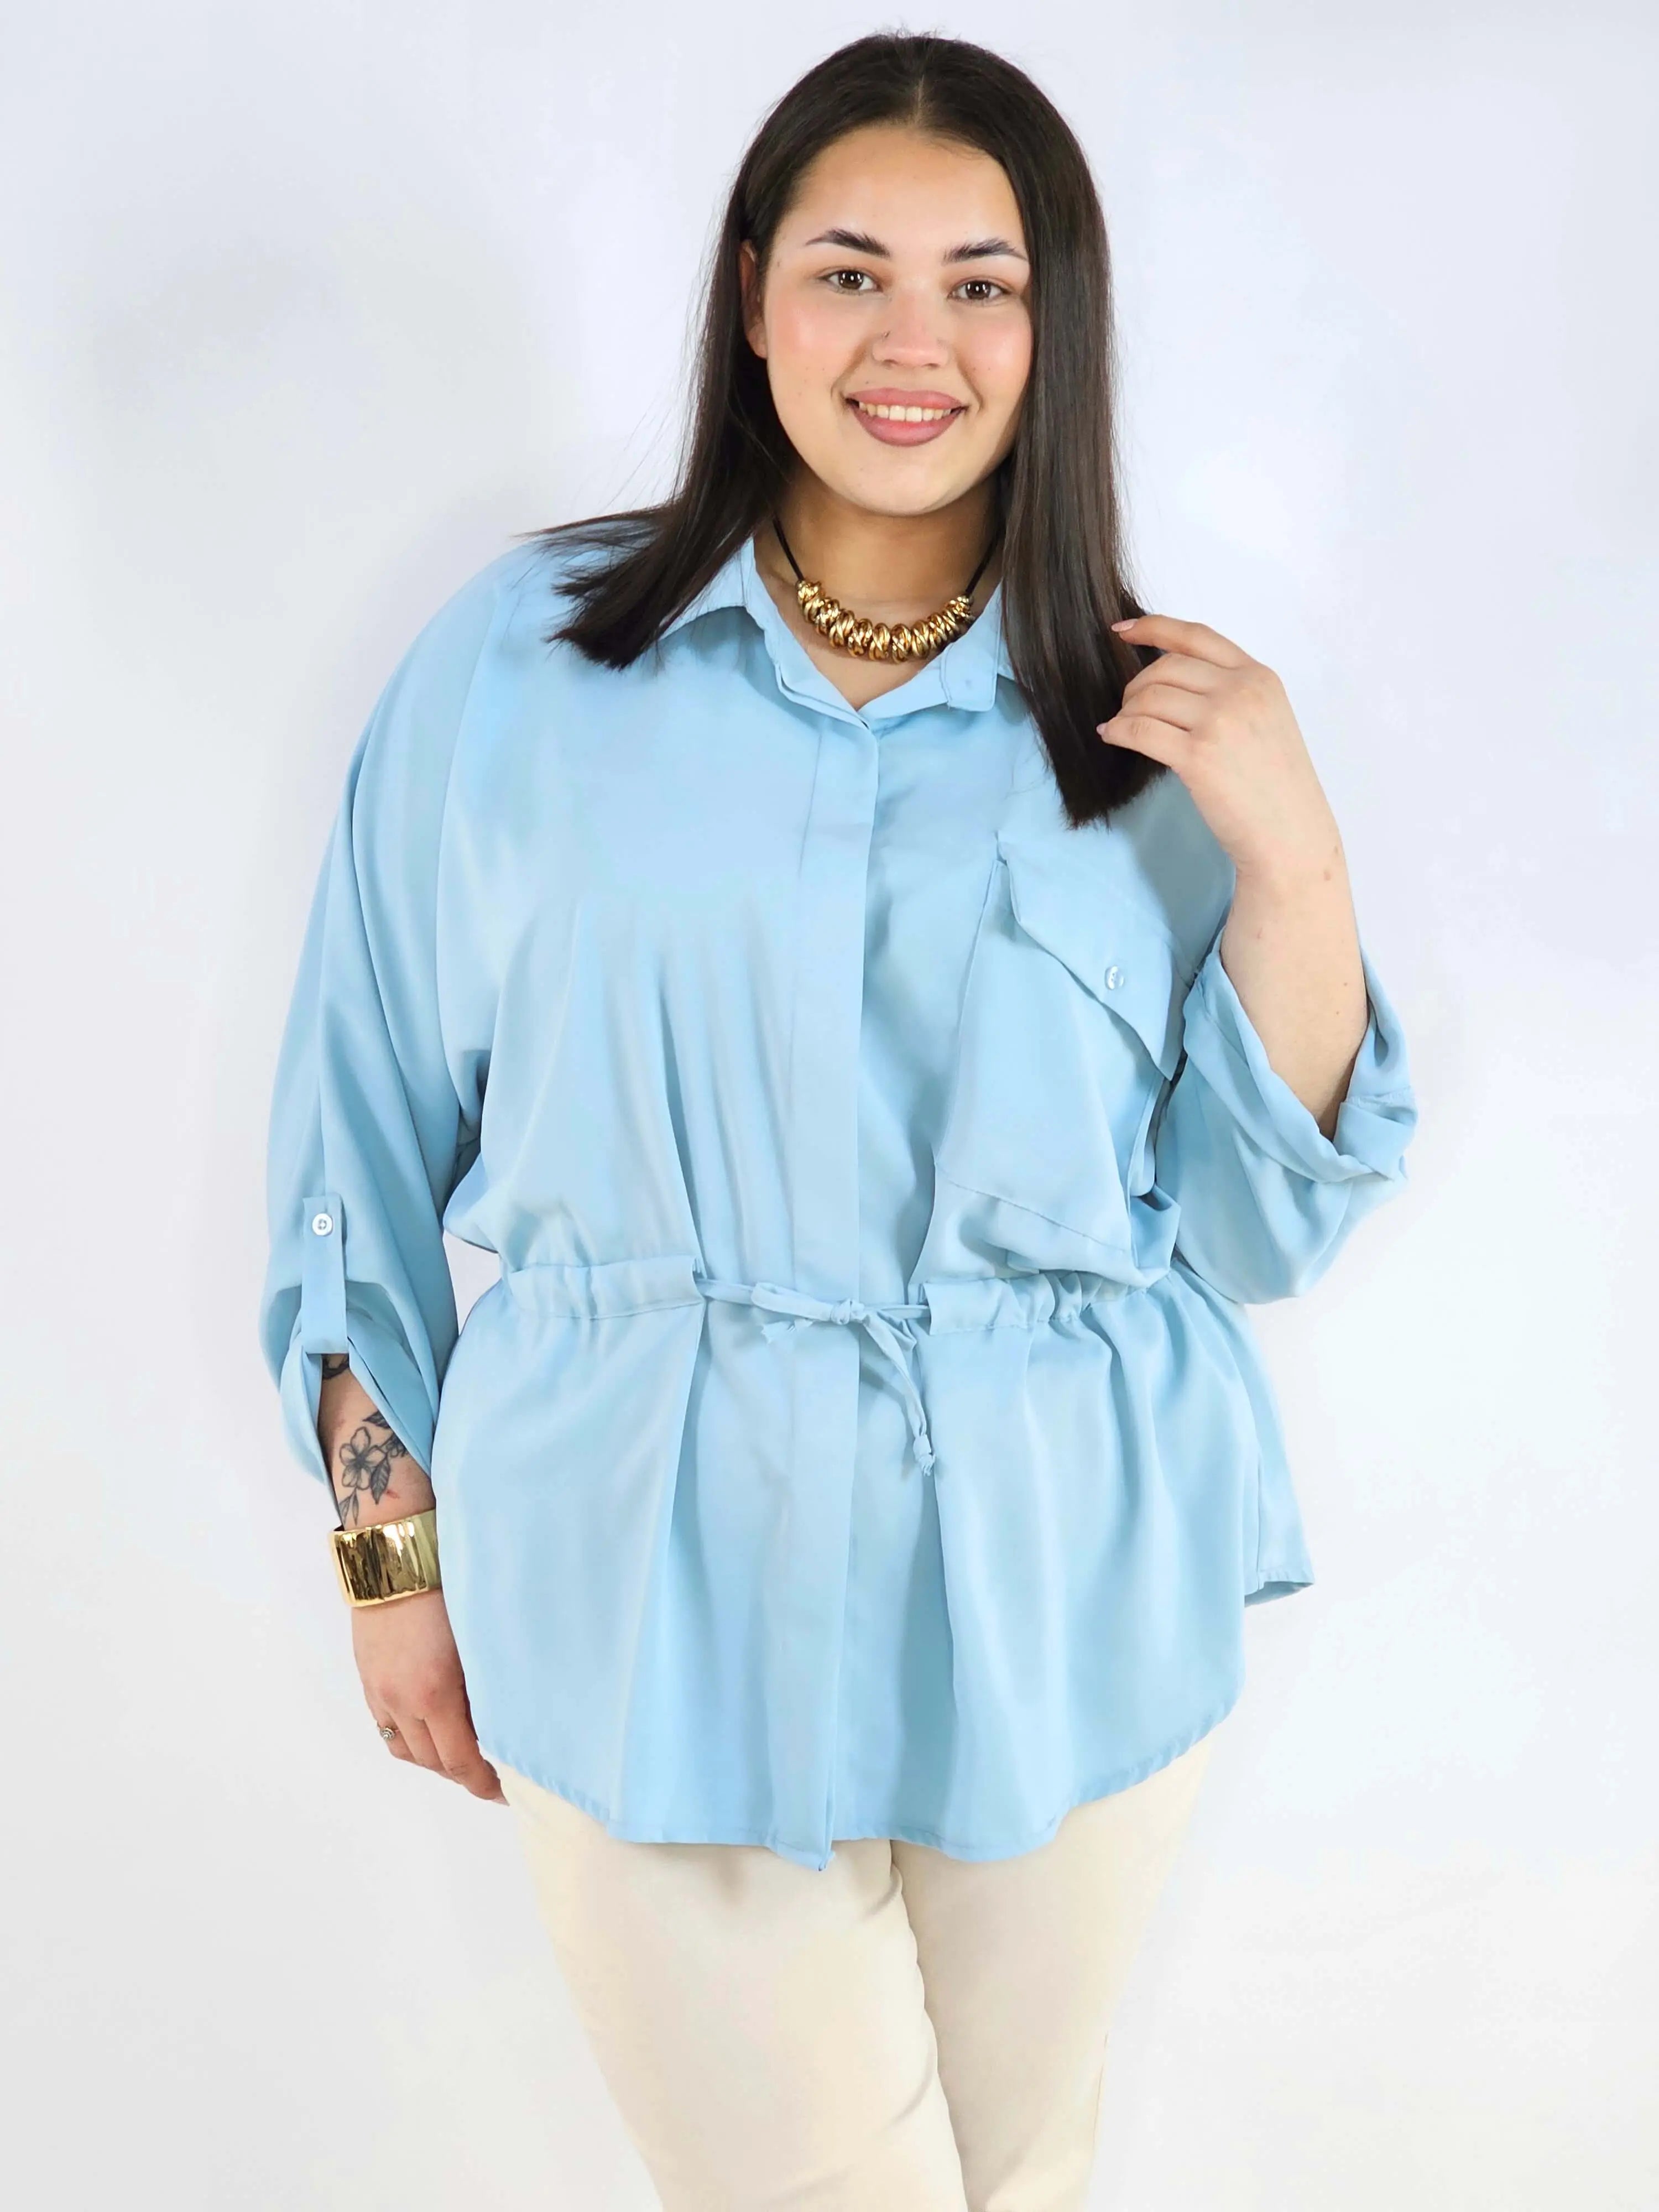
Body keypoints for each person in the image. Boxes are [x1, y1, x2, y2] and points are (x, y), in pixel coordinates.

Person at [258, 32, 1419, 2212]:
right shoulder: (519, 671)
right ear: (751, 296)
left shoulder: (1163, 726)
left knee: (1020, 2184)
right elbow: (354, 1152)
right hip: (637, 1592)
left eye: (984, 284)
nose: (915, 341)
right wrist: (386, 1569)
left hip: (1068, 1598)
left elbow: (1260, 1233)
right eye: (853, 271)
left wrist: (1300, 857)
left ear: (1058, 325)